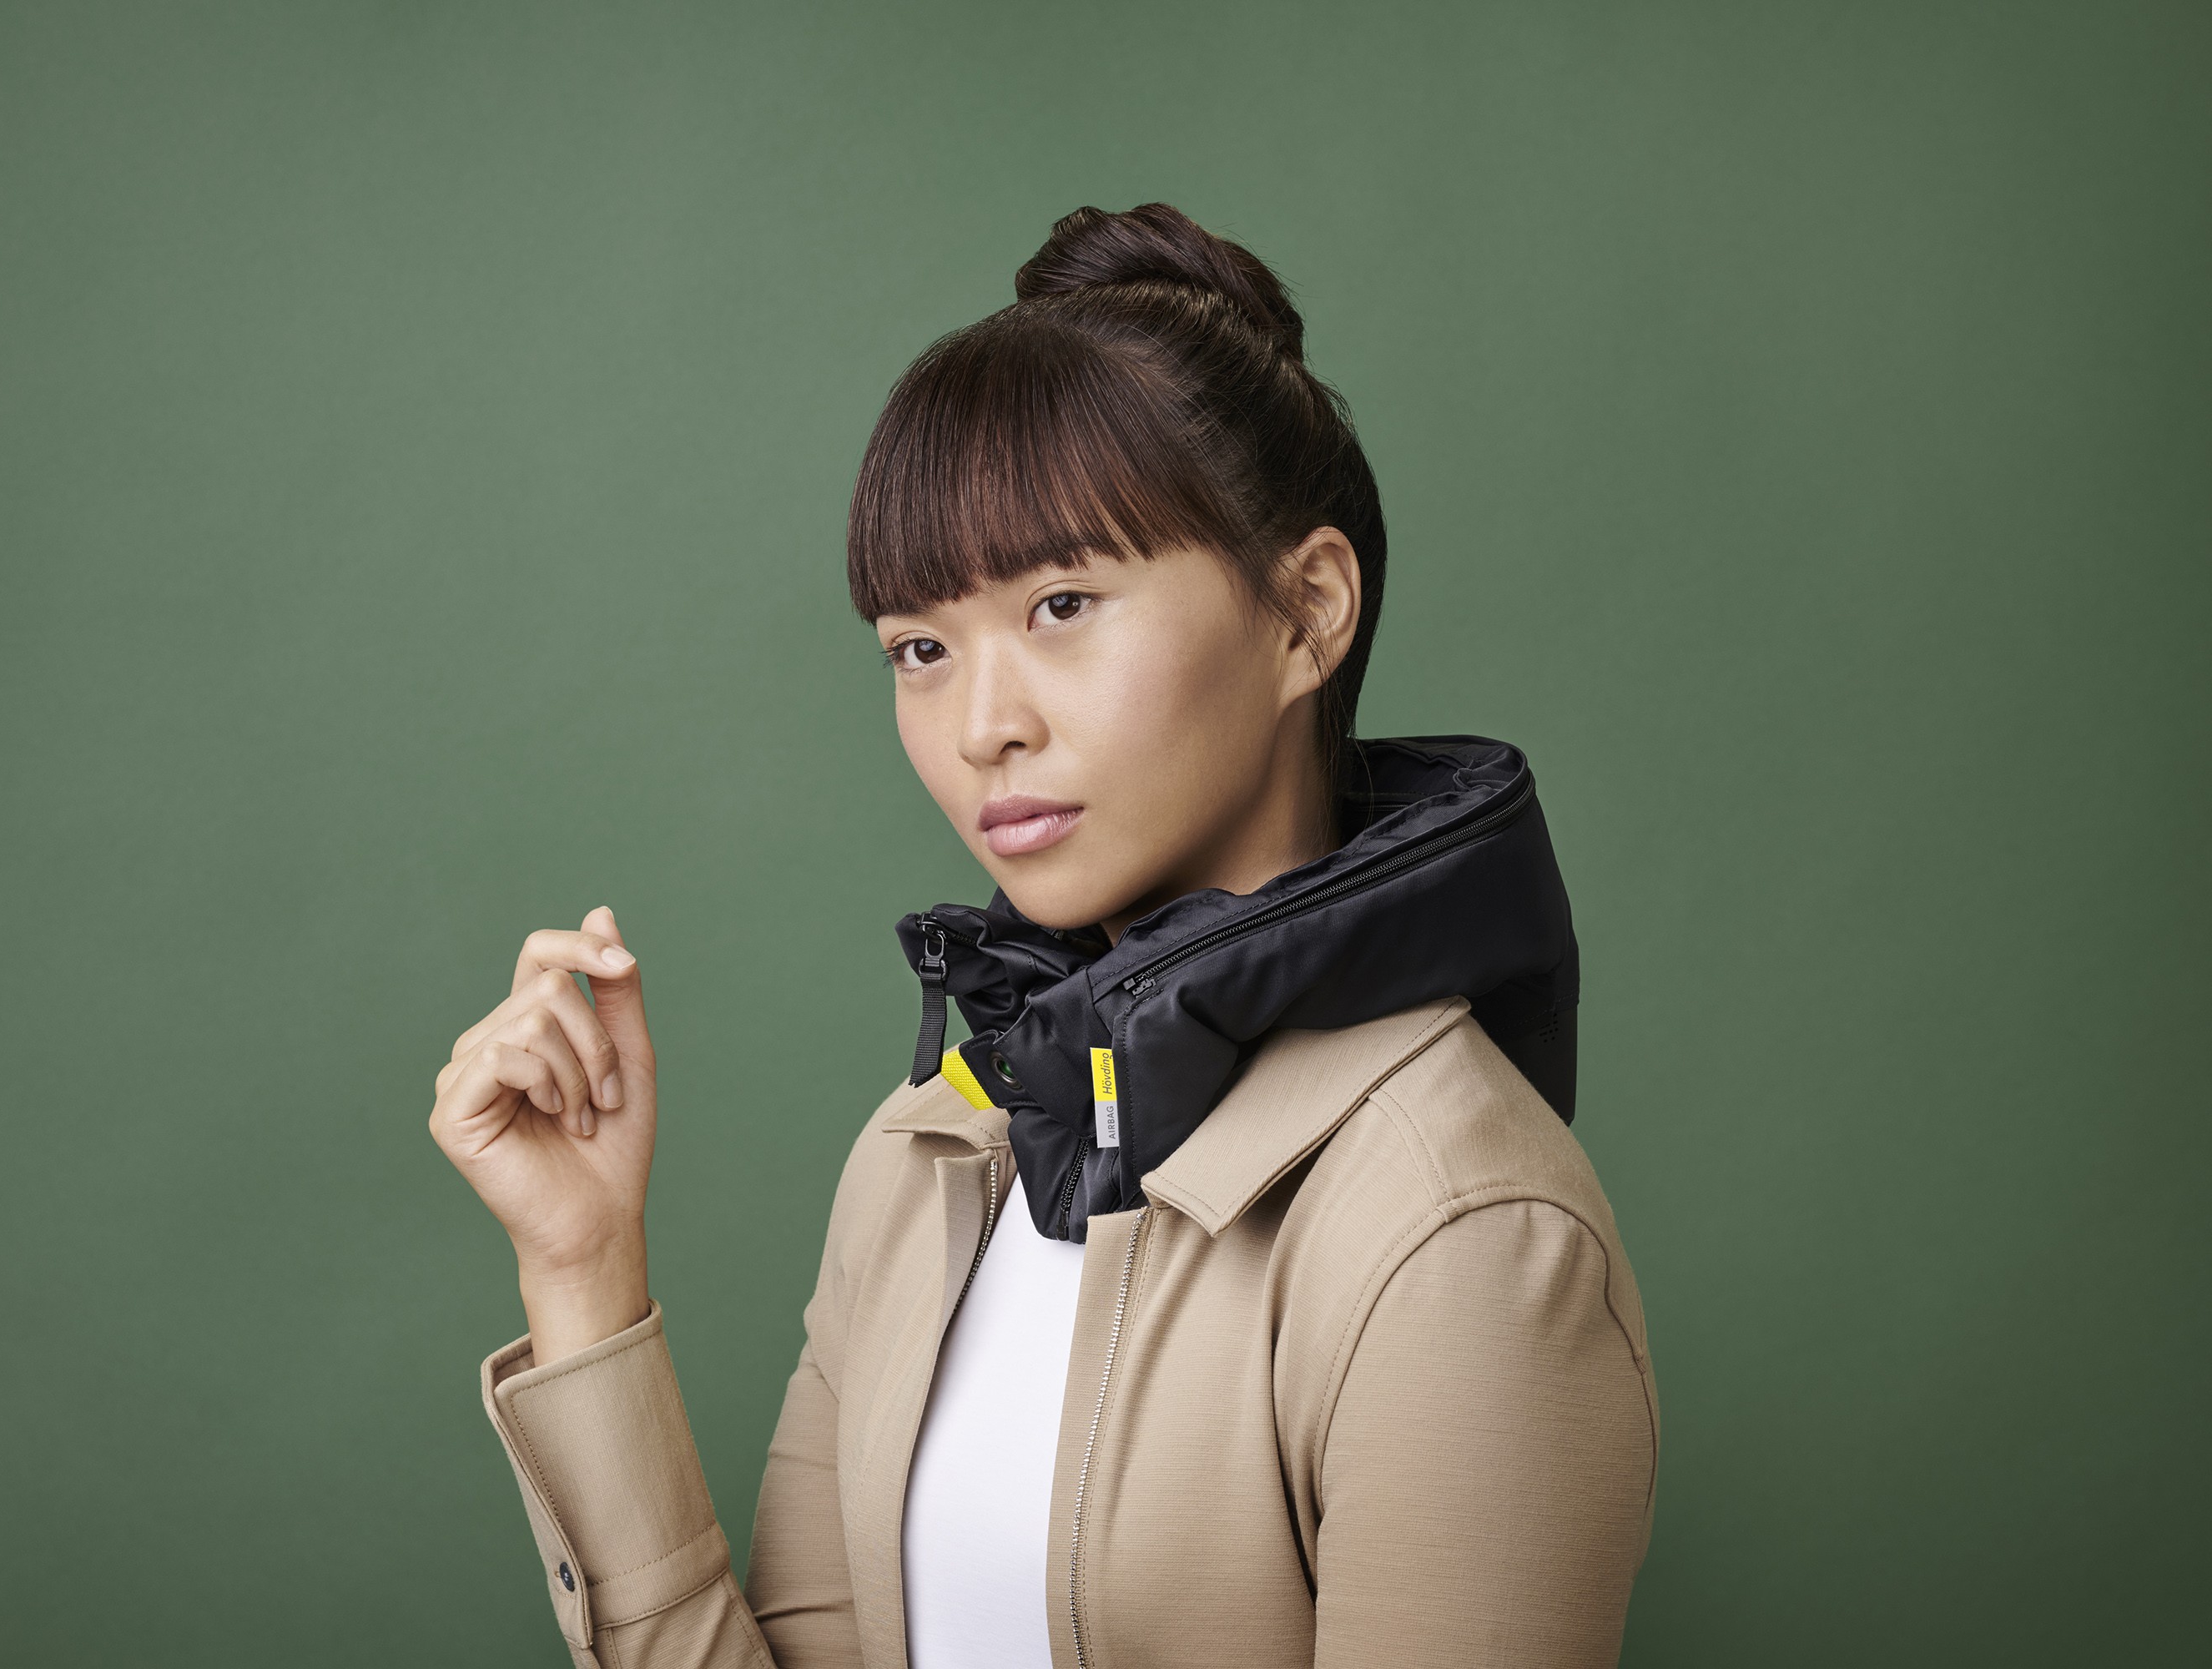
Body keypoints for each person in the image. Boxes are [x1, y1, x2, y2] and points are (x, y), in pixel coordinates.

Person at [429, 204, 1658, 1669]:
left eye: (1063, 604)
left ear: (1307, 613)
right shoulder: (931, 1154)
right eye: (920, 648)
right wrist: (583, 1273)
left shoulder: (1456, 1228)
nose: (981, 726)